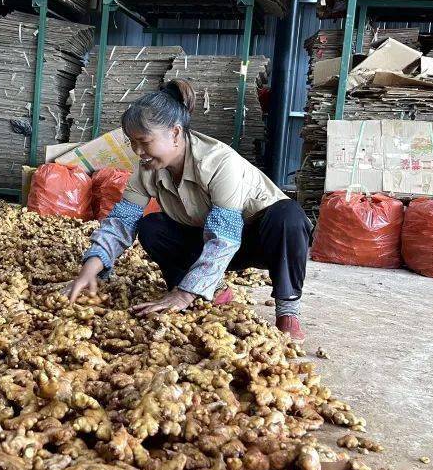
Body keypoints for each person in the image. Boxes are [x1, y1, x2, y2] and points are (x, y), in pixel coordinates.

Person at [64, 78, 313, 340]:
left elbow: (224, 237)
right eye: (132, 143)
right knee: (153, 226)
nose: (138, 151)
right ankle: (213, 291)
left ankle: (287, 312)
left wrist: (185, 293)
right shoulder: (147, 170)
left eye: (144, 141)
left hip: (260, 240)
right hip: (206, 237)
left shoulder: (219, 162)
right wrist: (89, 270)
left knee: (289, 216)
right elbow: (120, 223)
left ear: (175, 133)